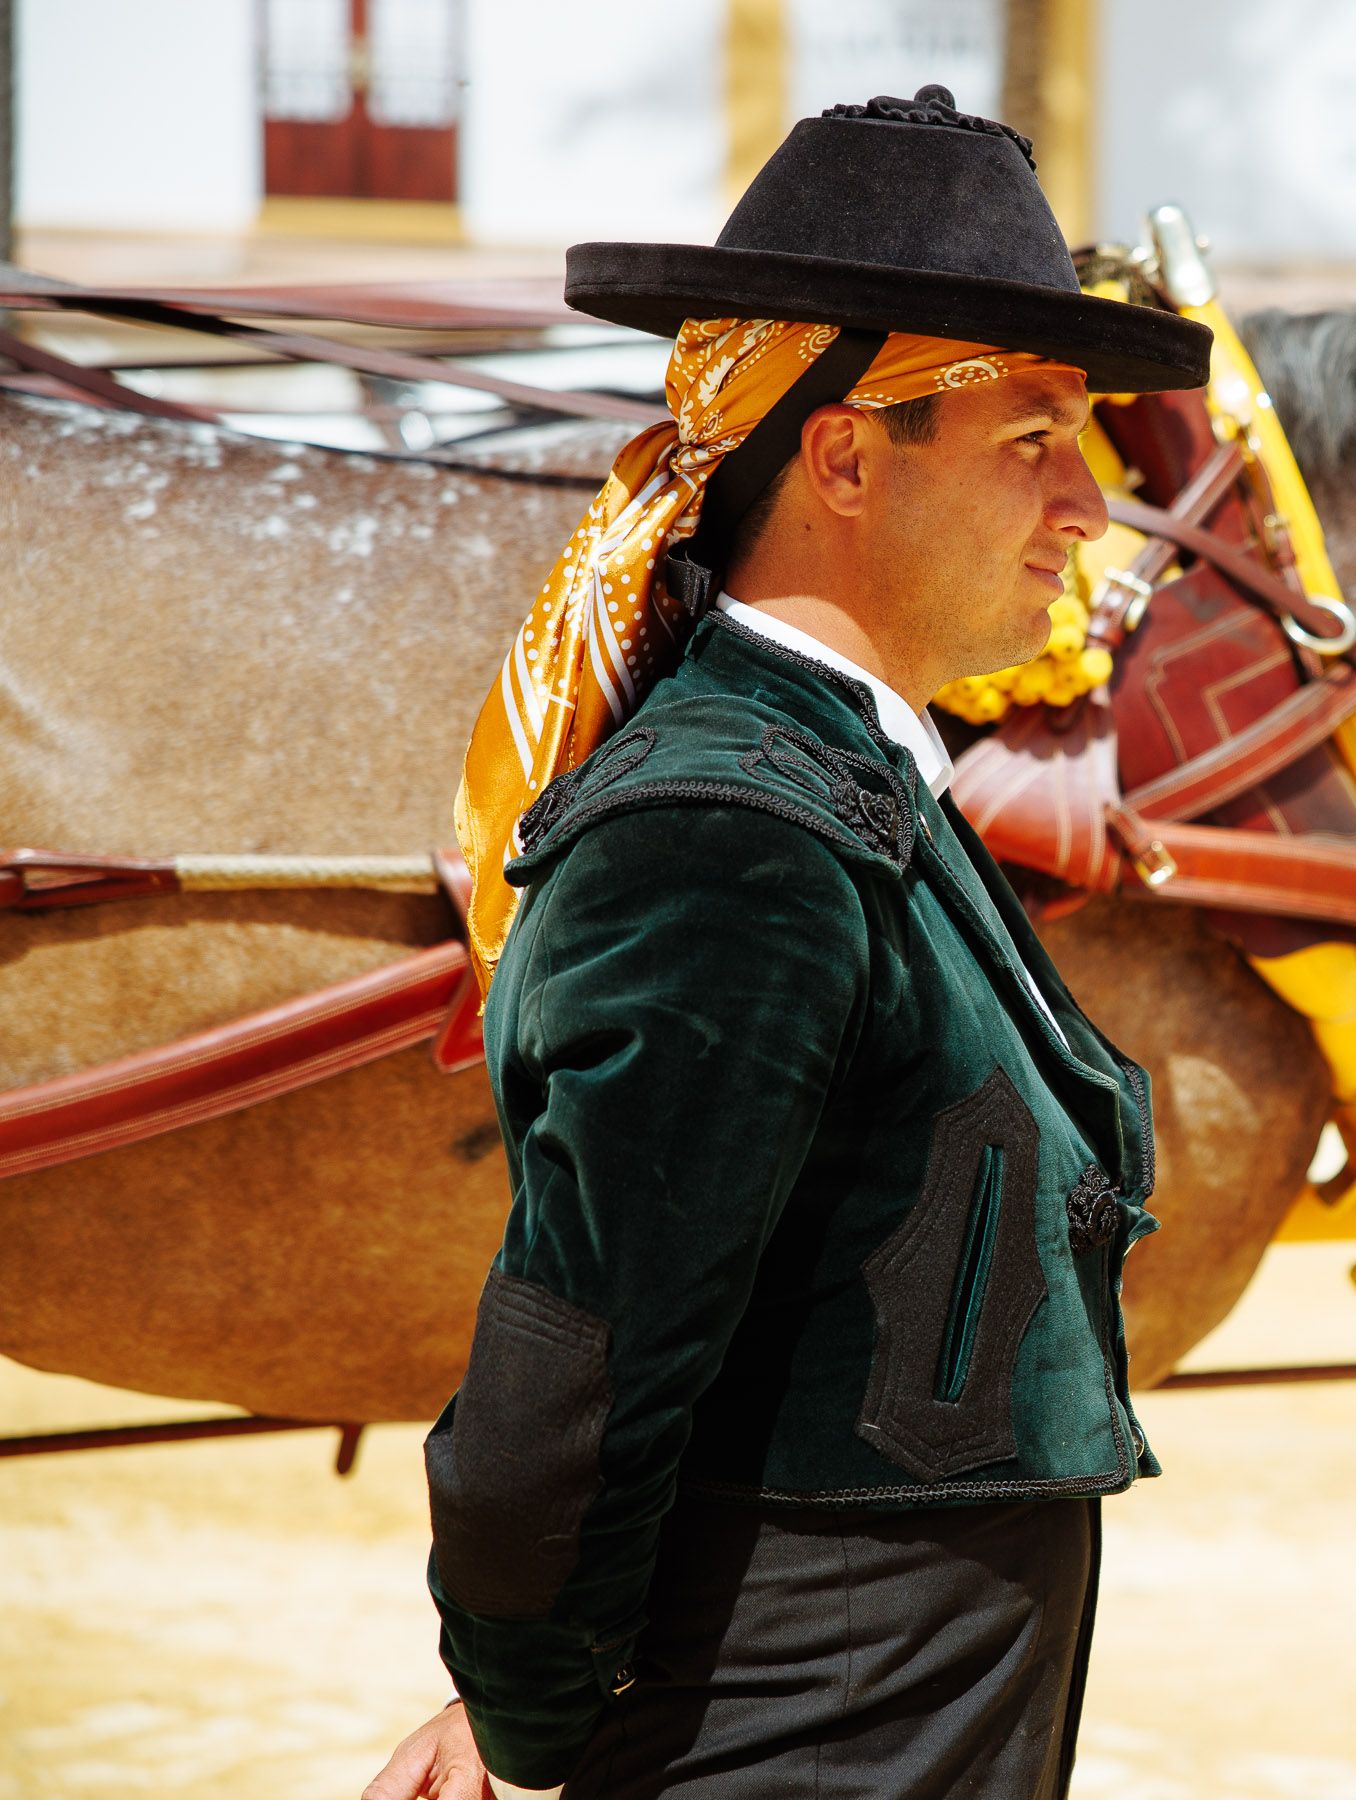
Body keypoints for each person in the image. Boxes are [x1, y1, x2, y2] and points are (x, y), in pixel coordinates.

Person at [363, 87, 1211, 1800]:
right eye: (1033, 438)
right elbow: (578, 1376)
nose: (1089, 510)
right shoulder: (727, 834)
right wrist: (525, 1721)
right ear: (841, 451)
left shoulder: (846, 783)